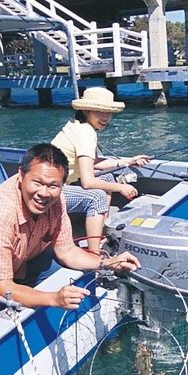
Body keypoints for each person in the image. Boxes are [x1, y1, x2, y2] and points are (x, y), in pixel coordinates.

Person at [0, 143, 141, 322]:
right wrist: (53, 298)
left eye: (53, 186)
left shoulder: (56, 200)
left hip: (22, 261)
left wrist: (106, 262)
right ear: (21, 175)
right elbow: (0, 288)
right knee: (4, 325)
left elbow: (67, 251)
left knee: (76, 278)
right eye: (37, 183)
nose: (44, 193)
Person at [51, 87, 149, 254]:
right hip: (53, 191)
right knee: (98, 196)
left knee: (108, 179)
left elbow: (93, 162)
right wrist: (122, 188)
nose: (105, 117)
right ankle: (95, 253)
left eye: (108, 112)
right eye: (99, 111)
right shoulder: (87, 133)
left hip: (60, 183)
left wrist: (127, 162)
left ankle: (101, 230)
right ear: (86, 110)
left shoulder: (78, 125)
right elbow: (89, 182)